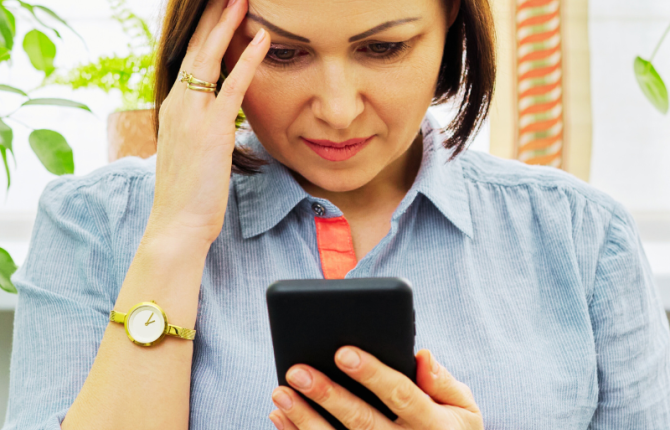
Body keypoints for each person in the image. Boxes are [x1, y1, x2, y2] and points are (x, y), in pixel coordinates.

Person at [3, 0, 670, 428]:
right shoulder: (96, 227)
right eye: (285, 53)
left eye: (383, 49)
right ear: (216, 47)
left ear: (452, 35)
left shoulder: (583, 240)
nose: (338, 108)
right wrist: (176, 236)